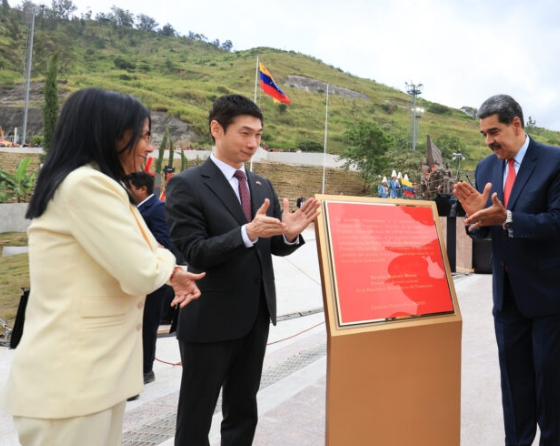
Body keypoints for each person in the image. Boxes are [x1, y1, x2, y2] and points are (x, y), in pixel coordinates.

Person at [0, 88, 203, 446]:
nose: (149, 148)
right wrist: (168, 259)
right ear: (112, 134)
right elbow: (141, 270)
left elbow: (134, 257)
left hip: (92, 379)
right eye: (142, 136)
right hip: (74, 381)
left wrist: (160, 264)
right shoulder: (87, 184)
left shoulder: (87, 182)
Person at [165, 94, 321, 446]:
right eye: (245, 133)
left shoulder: (260, 184)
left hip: (256, 317)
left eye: (259, 135)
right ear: (216, 129)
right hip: (210, 318)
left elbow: (270, 245)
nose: (253, 143)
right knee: (196, 415)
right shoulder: (187, 185)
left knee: (242, 410)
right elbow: (193, 251)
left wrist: (290, 234)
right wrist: (245, 233)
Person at [453, 94, 560, 446]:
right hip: (507, 292)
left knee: (547, 373)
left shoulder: (556, 161)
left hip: (550, 290)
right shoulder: (486, 168)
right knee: (513, 377)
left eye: (494, 131)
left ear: (516, 125)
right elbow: (482, 227)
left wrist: (506, 218)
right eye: (483, 134)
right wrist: (476, 220)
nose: (488, 141)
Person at [124, 170, 176, 387]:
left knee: (148, 324)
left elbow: (164, 241)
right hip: (138, 276)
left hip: (155, 279)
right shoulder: (136, 209)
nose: (127, 191)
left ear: (142, 189)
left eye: (130, 188)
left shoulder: (157, 208)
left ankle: (146, 370)